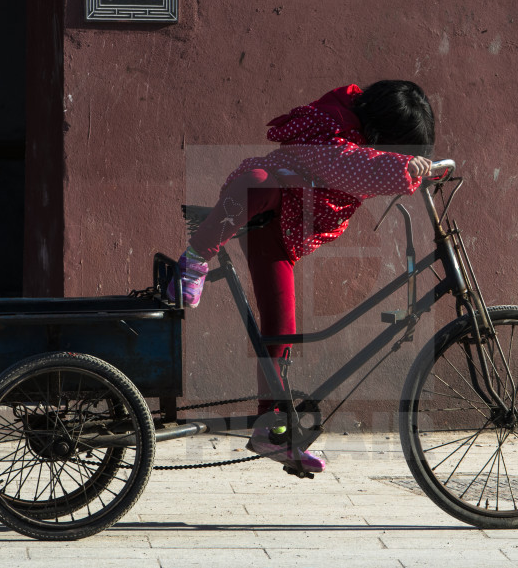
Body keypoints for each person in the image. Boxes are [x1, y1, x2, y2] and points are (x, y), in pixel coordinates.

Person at [169, 80, 436, 473]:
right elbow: (349, 164)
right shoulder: (332, 126)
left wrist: (420, 168)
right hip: (269, 205)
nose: (396, 156)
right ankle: (194, 260)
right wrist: (400, 167)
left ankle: (270, 430)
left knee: (280, 332)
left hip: (285, 236)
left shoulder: (363, 146)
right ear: (382, 132)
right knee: (259, 181)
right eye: (399, 147)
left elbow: (364, 166)